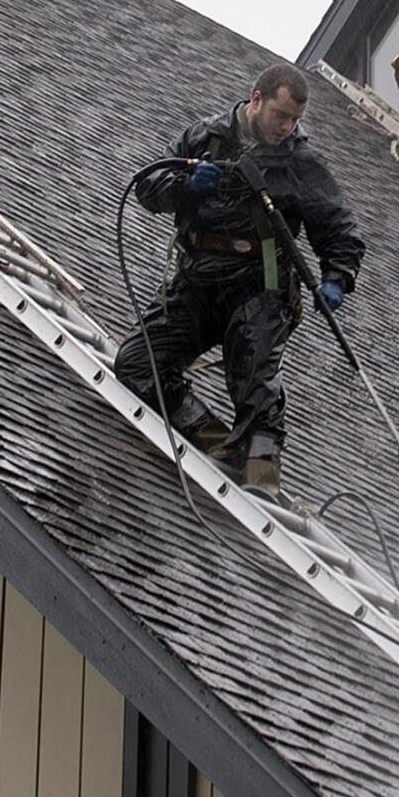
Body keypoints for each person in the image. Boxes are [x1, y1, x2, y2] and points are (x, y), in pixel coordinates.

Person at [113, 61, 363, 500]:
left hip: (259, 290)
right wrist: (189, 185)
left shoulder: (301, 163)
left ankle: (262, 480)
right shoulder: (206, 138)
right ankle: (217, 446)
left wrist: (337, 278)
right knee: (136, 365)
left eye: (295, 120)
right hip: (197, 281)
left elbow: (339, 229)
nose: (287, 127)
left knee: (257, 390)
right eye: (280, 116)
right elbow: (148, 186)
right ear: (256, 99)